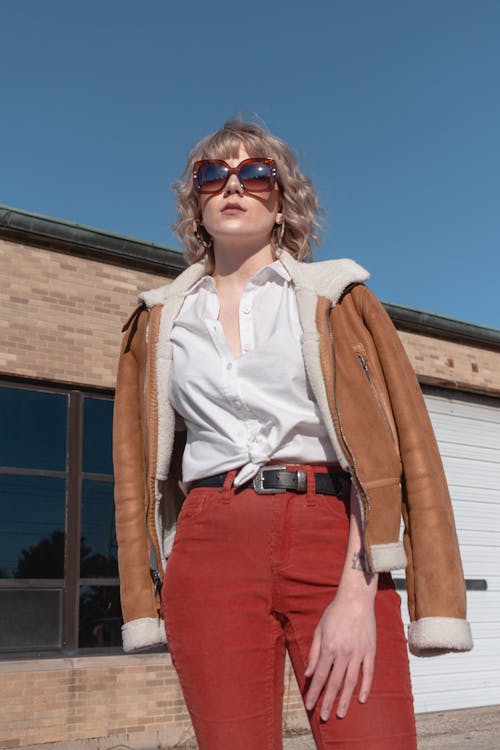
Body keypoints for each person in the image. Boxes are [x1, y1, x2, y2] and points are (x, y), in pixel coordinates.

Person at [113, 120, 473, 750]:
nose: (234, 185)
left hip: (332, 538)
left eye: (256, 173)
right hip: (209, 546)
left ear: (281, 204)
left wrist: (360, 593)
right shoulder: (159, 322)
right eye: (212, 174)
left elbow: (396, 445)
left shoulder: (338, 299)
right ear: (195, 201)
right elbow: (133, 475)